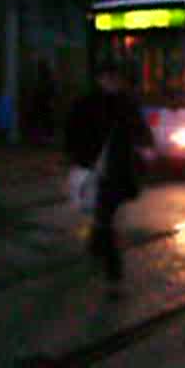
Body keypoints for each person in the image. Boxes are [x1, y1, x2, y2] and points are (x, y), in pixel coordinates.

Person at [64, 60, 155, 298]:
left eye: (115, 78)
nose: (112, 82)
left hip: (116, 172)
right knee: (106, 219)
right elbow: (73, 132)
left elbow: (139, 129)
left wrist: (146, 145)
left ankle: (105, 263)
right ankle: (112, 274)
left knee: (106, 219)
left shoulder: (124, 103)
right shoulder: (87, 103)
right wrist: (76, 158)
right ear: (99, 79)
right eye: (108, 78)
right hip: (96, 170)